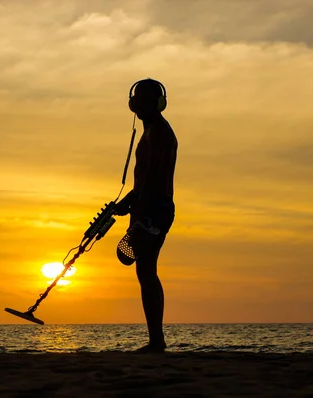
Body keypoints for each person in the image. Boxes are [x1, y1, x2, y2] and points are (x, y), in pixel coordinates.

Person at [114, 78, 178, 353]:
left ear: (158, 102)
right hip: (146, 208)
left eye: (145, 98)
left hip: (155, 210)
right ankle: (156, 340)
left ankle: (156, 341)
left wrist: (134, 200)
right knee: (145, 271)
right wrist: (131, 200)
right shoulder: (149, 131)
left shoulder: (160, 133)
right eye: (137, 98)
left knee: (147, 271)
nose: (139, 103)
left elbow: (153, 175)